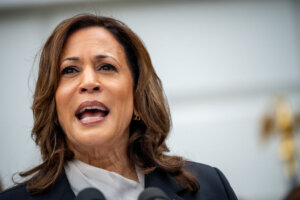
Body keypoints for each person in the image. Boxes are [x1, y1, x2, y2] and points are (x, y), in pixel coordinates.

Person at [0, 14, 237, 200]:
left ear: (137, 99)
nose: (89, 82)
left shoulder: (210, 187)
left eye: (106, 67)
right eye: (70, 70)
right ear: (54, 107)